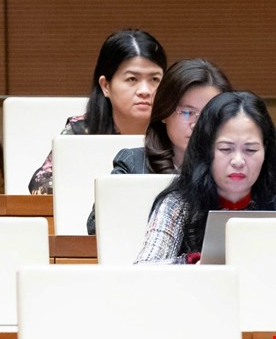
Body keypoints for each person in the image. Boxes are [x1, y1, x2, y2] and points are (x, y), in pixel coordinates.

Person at [86, 58, 233, 234]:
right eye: (187, 112)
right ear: (164, 112)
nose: (198, 124)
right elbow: (97, 227)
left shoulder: (239, 166)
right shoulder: (133, 164)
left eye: (209, 114)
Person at [134, 91, 276, 264]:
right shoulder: (178, 203)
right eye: (225, 149)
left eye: (251, 150)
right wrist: (195, 264)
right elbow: (144, 270)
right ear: (206, 150)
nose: (238, 161)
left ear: (266, 151)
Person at [28, 29, 168, 194]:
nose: (145, 90)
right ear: (106, 86)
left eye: (155, 79)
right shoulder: (82, 130)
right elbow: (39, 186)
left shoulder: (175, 129)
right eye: (132, 79)